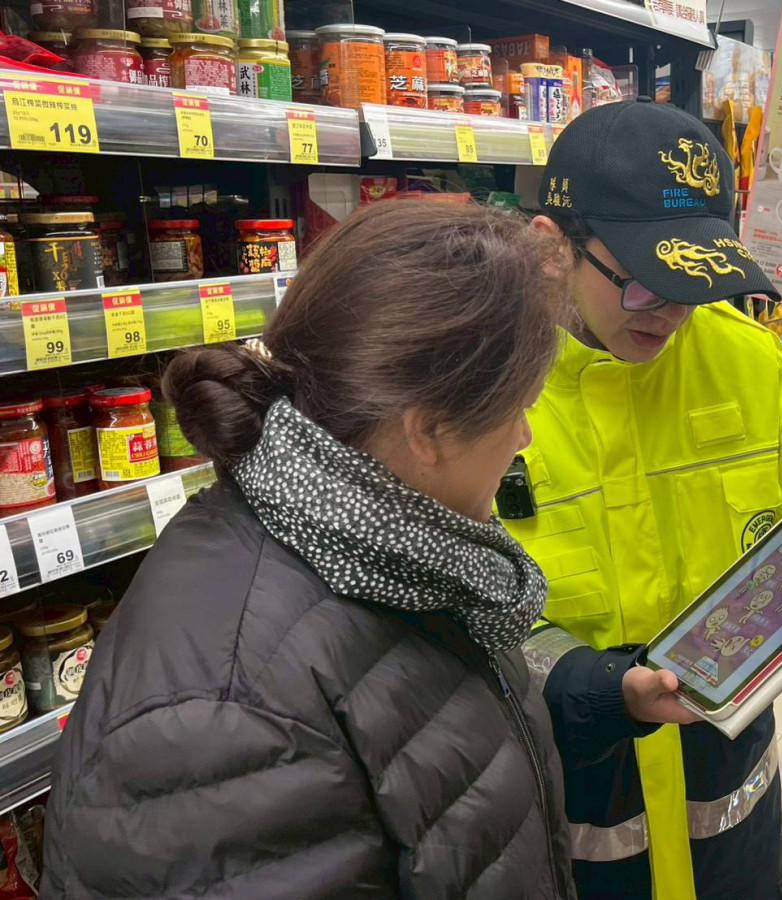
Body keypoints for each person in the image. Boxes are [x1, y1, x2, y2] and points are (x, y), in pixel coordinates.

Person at [42, 202, 576, 899]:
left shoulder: (405, 555)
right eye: (520, 407)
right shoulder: (228, 716)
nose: (525, 437)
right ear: (429, 431)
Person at [504, 99, 782, 900]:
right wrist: (604, 689)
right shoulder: (483, 389)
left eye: (696, 281)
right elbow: (458, 620)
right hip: (567, 806)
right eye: (647, 283)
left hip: (732, 814)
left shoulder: (744, 360)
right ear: (551, 249)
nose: (674, 312)